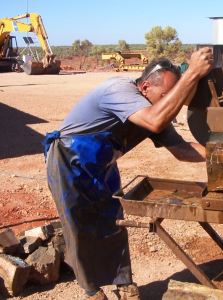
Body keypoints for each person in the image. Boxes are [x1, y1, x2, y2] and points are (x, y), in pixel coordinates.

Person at [43, 47, 213, 300]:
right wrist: (192, 75)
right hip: (69, 159)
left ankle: (123, 284)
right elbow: (155, 120)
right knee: (79, 225)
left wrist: (220, 152)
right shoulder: (119, 90)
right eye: (167, 95)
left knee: (113, 221)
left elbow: (181, 149)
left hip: (102, 162)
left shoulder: (155, 109)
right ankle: (92, 290)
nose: (171, 104)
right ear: (145, 87)